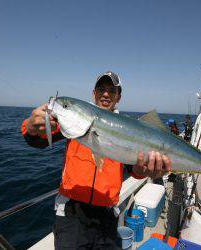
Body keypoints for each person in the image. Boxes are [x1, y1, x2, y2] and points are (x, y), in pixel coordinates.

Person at [21, 71, 172, 249]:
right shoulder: (72, 122)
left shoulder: (128, 127)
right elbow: (38, 139)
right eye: (101, 89)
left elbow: (135, 171)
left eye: (111, 90)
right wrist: (31, 127)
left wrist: (147, 170)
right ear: (94, 94)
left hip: (107, 215)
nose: (106, 94)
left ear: (118, 97)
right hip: (71, 212)